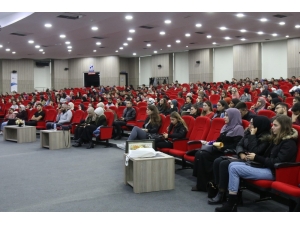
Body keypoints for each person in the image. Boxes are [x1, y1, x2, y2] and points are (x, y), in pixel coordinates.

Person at [215, 115, 298, 212]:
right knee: (232, 165)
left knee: (234, 168)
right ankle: (232, 201)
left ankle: (231, 203)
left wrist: (257, 158)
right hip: (266, 167)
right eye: (273, 125)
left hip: (275, 172)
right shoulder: (276, 139)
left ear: (283, 127)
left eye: (275, 125)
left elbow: (276, 162)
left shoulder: (289, 143)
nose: (272, 127)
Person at [209, 116, 271, 205]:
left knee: (224, 164)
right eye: (250, 123)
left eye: (252, 123)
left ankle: (222, 193)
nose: (249, 125)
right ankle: (220, 189)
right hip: (243, 157)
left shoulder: (266, 138)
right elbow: (239, 144)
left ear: (259, 125)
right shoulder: (248, 132)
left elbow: (255, 151)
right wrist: (241, 153)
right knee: (217, 161)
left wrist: (253, 136)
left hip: (254, 162)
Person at [191, 108, 244, 192]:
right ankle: (202, 184)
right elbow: (219, 140)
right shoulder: (225, 127)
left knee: (203, 155)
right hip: (218, 150)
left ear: (233, 117)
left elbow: (235, 145)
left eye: (227, 116)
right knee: (199, 153)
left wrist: (221, 146)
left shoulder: (238, 128)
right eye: (224, 115)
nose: (224, 117)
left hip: (226, 153)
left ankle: (208, 184)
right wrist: (211, 143)